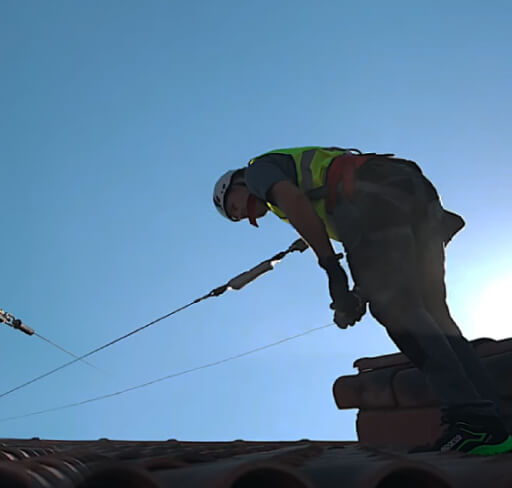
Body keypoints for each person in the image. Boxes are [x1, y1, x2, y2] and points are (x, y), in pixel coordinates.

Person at [213, 147, 512, 455]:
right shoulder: (311, 179)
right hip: (413, 198)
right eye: (237, 217)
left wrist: (333, 270)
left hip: (371, 199)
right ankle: (499, 424)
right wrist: (357, 295)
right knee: (436, 318)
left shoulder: (258, 171)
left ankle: (474, 422)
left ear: (236, 184)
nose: (240, 214)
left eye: (233, 207)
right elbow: (381, 258)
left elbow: (296, 201)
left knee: (396, 309)